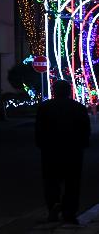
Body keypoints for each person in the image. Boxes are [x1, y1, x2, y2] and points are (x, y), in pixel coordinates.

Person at [35, 79, 91, 224]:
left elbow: (39, 130)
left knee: (51, 182)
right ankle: (69, 212)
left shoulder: (45, 108)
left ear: (54, 91)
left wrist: (42, 145)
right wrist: (82, 145)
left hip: (51, 151)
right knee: (72, 183)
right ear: (69, 91)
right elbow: (85, 131)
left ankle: (53, 206)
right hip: (73, 151)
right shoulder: (78, 108)